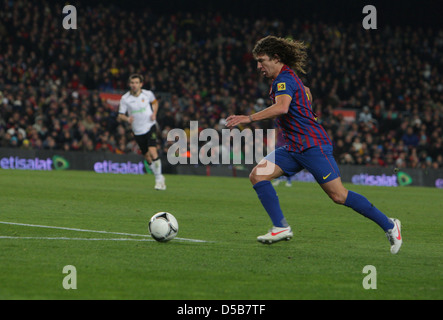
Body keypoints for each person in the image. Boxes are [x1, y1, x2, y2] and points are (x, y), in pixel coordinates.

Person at [226, 36, 402, 254]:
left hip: (312, 146)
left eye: (262, 60)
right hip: (293, 148)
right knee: (257, 175)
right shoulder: (288, 79)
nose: (258, 66)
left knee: (338, 195)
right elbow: (303, 97)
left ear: (276, 58)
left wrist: (248, 118)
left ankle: (389, 224)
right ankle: (281, 227)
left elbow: (281, 108)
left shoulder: (284, 80)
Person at [118, 74, 166, 190]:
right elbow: (120, 115)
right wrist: (127, 119)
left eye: (136, 82)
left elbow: (155, 103)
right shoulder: (125, 98)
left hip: (150, 126)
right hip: (137, 130)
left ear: (141, 84)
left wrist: (154, 113)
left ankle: (159, 180)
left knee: (152, 150)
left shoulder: (147, 94)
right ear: (129, 84)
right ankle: (158, 176)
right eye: (132, 83)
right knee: (147, 157)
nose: (134, 85)